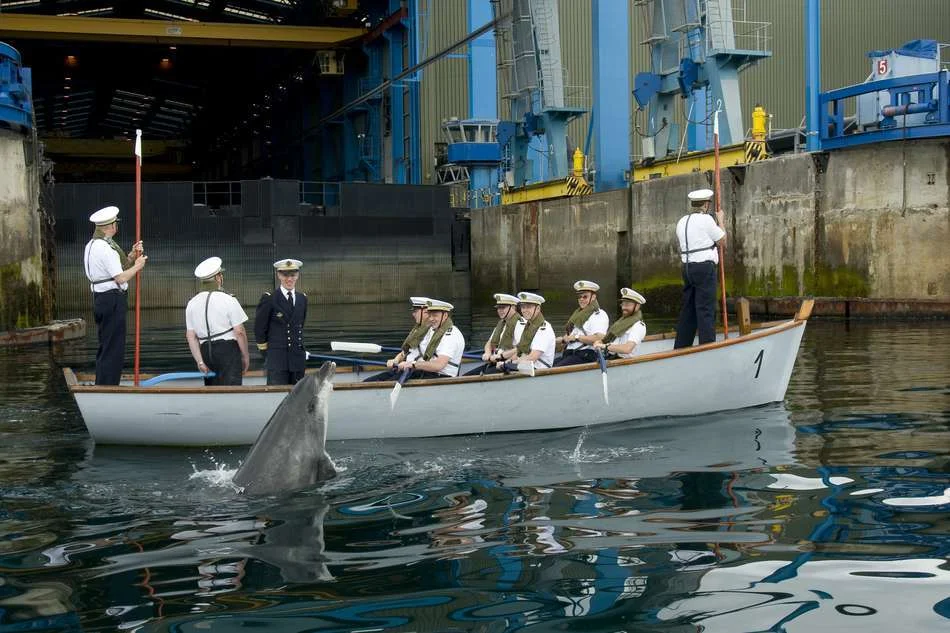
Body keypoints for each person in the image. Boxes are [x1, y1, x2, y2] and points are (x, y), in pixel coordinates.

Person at [82, 205, 147, 385]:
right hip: (112, 300)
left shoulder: (92, 245)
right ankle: (108, 386)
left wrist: (132, 256)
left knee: (107, 344)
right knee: (114, 347)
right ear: (110, 226)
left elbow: (115, 268)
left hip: (102, 299)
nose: (116, 226)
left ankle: (103, 382)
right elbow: (120, 277)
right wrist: (138, 266)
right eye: (115, 223)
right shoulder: (106, 248)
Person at [185, 256, 250, 386]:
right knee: (232, 392)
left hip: (205, 352)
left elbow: (191, 336)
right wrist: (245, 356)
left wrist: (200, 362)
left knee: (212, 391)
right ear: (218, 278)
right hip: (228, 351)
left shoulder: (192, 303)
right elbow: (239, 332)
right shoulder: (229, 300)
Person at [674, 188, 726, 348]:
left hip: (687, 268)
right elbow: (723, 241)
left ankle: (681, 346)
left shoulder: (682, 221)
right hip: (704, 268)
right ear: (706, 204)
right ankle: (707, 347)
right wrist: (721, 221)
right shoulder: (706, 220)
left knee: (688, 309)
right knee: (705, 309)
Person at [255, 258, 308, 385]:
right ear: (278, 275)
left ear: (298, 275)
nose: (289, 279)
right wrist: (268, 354)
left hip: (297, 361)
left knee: (299, 398)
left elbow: (300, 326)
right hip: (277, 361)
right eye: (285, 275)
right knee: (276, 399)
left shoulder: (303, 299)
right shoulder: (269, 299)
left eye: (293, 275)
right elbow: (259, 330)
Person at [362, 296, 430, 382]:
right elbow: (405, 352)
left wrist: (410, 364)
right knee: (367, 382)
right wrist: (396, 360)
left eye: (415, 311)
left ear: (425, 312)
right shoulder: (417, 330)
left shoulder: (432, 332)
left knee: (376, 386)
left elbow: (431, 361)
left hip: (417, 372)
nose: (413, 314)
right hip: (405, 369)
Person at [395, 299, 465, 379]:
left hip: (442, 377)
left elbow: (438, 365)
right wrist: (399, 360)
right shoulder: (433, 331)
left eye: (435, 315)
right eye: (430, 315)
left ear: (445, 315)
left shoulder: (451, 335)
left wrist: (413, 364)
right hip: (427, 373)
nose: (431, 319)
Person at [494, 292, 555, 373]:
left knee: (496, 370)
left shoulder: (544, 328)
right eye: (523, 307)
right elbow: (520, 351)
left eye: (529, 307)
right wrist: (508, 361)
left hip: (538, 369)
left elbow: (533, 357)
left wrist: (510, 363)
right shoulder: (528, 326)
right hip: (526, 366)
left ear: (538, 309)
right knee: (495, 368)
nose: (525, 310)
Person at [553, 280, 609, 366]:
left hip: (586, 355)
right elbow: (570, 336)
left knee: (554, 369)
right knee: (548, 365)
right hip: (570, 354)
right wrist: (562, 340)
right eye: (579, 296)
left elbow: (599, 338)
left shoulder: (599, 314)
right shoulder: (578, 315)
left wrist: (576, 337)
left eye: (585, 296)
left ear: (593, 297)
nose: (581, 299)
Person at [464, 292, 521, 376]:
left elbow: (521, 349)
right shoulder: (501, 324)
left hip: (508, 365)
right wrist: (487, 353)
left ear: (513, 307)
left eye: (503, 308)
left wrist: (503, 358)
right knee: (466, 376)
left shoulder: (520, 324)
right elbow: (489, 343)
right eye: (498, 308)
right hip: (495, 362)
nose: (500, 311)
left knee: (479, 378)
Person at [593, 287, 647, 360]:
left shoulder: (638, 326)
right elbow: (609, 341)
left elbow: (627, 349)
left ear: (637, 306)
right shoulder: (621, 323)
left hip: (624, 363)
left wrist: (604, 346)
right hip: (610, 358)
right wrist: (600, 342)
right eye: (623, 304)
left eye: (627, 304)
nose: (623, 307)